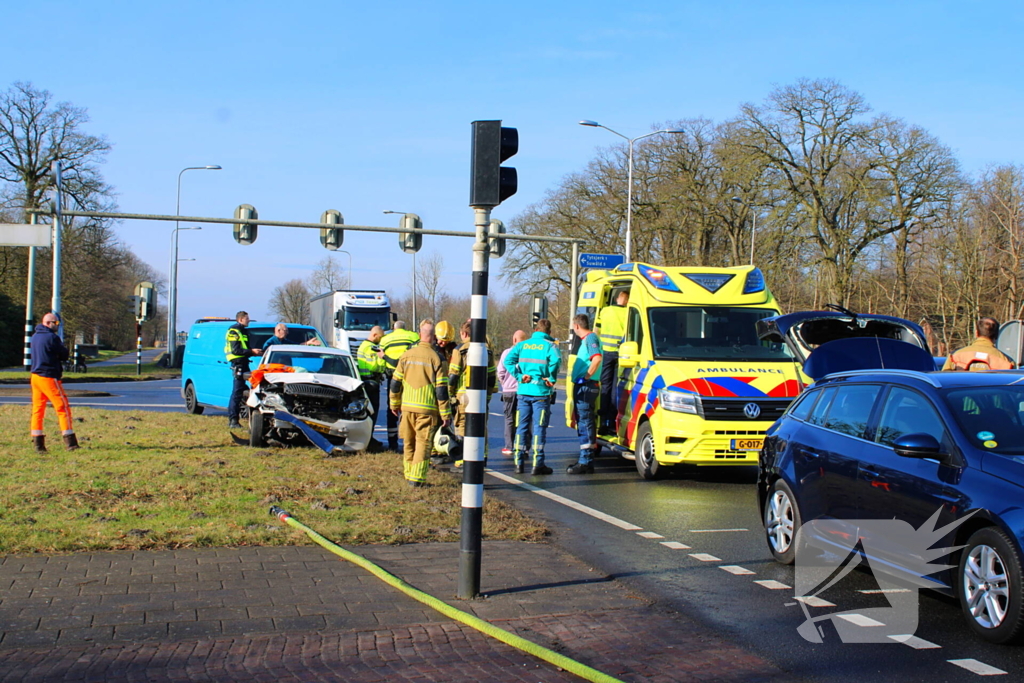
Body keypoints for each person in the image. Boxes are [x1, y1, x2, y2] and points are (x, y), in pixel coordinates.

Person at [389, 321, 451, 487]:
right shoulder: (438, 358)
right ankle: (416, 479)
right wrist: (445, 414)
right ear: (434, 337)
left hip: (407, 407)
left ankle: (408, 473)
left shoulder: (406, 355)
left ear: (419, 334)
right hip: (427, 409)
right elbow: (441, 390)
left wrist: (394, 403)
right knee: (423, 444)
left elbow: (395, 383)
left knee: (408, 442)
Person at [504, 319, 561, 475]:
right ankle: (537, 464)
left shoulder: (523, 345)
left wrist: (519, 376)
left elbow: (508, 360)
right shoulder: (550, 346)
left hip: (523, 391)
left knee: (521, 427)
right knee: (539, 428)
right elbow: (556, 360)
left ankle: (518, 463)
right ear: (549, 332)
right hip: (541, 393)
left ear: (535, 330)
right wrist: (551, 377)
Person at [29, 312, 80, 453]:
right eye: (55, 323)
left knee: (38, 409)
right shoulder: (52, 337)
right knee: (62, 407)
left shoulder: (35, 337)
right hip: (49, 376)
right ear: (48, 323)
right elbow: (64, 355)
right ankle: (70, 442)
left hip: (35, 377)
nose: (57, 325)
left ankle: (38, 443)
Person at [447, 320, 497, 437]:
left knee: (462, 428)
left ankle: (463, 449)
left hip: (463, 397)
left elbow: (453, 375)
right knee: (480, 428)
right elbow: (491, 377)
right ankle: (483, 449)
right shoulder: (487, 350)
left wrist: (450, 395)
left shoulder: (459, 350)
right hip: (481, 396)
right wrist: (487, 397)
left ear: (464, 334)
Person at [567, 314, 602, 474]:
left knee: (585, 422)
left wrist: (586, 377)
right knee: (584, 421)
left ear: (576, 326)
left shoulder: (590, 338)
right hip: (585, 385)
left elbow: (597, 358)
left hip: (586, 386)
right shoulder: (587, 340)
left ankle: (585, 461)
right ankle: (586, 459)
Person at [380, 321, 420, 450]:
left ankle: (392, 443)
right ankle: (410, 440)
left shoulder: (385, 339)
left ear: (393, 328)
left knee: (392, 409)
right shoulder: (413, 336)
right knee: (409, 408)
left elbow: (380, 361)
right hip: (409, 377)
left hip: (392, 377)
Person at [595, 290, 629, 434]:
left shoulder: (605, 311)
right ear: (628, 300)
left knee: (606, 386)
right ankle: (613, 420)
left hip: (606, 352)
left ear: (617, 299)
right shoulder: (629, 312)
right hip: (622, 353)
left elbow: (596, 331)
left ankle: (603, 420)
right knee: (617, 387)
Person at [225, 311, 262, 429]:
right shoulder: (234, 331)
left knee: (247, 389)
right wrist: (251, 352)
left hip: (244, 362)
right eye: (247, 318)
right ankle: (233, 420)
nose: (248, 320)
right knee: (237, 392)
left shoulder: (243, 331)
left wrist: (254, 352)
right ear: (240, 319)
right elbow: (236, 350)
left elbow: (245, 347)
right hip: (238, 364)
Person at [497, 330, 528, 456]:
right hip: (523, 390)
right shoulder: (527, 354)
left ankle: (509, 446)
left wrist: (505, 384)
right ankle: (524, 447)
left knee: (509, 418)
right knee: (524, 419)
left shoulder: (506, 353)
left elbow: (500, 372)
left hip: (509, 391)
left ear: (514, 340)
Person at [942, 317, 1016, 371]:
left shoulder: (955, 356)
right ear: (997, 336)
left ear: (976, 333)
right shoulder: (1007, 361)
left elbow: (943, 381)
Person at [356, 325, 387, 445]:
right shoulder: (370, 348)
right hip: (371, 382)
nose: (381, 339)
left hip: (365, 381)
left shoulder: (363, 345)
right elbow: (374, 366)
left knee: (368, 412)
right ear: (374, 335)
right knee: (373, 412)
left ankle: (368, 438)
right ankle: (369, 440)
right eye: (380, 337)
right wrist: (382, 359)